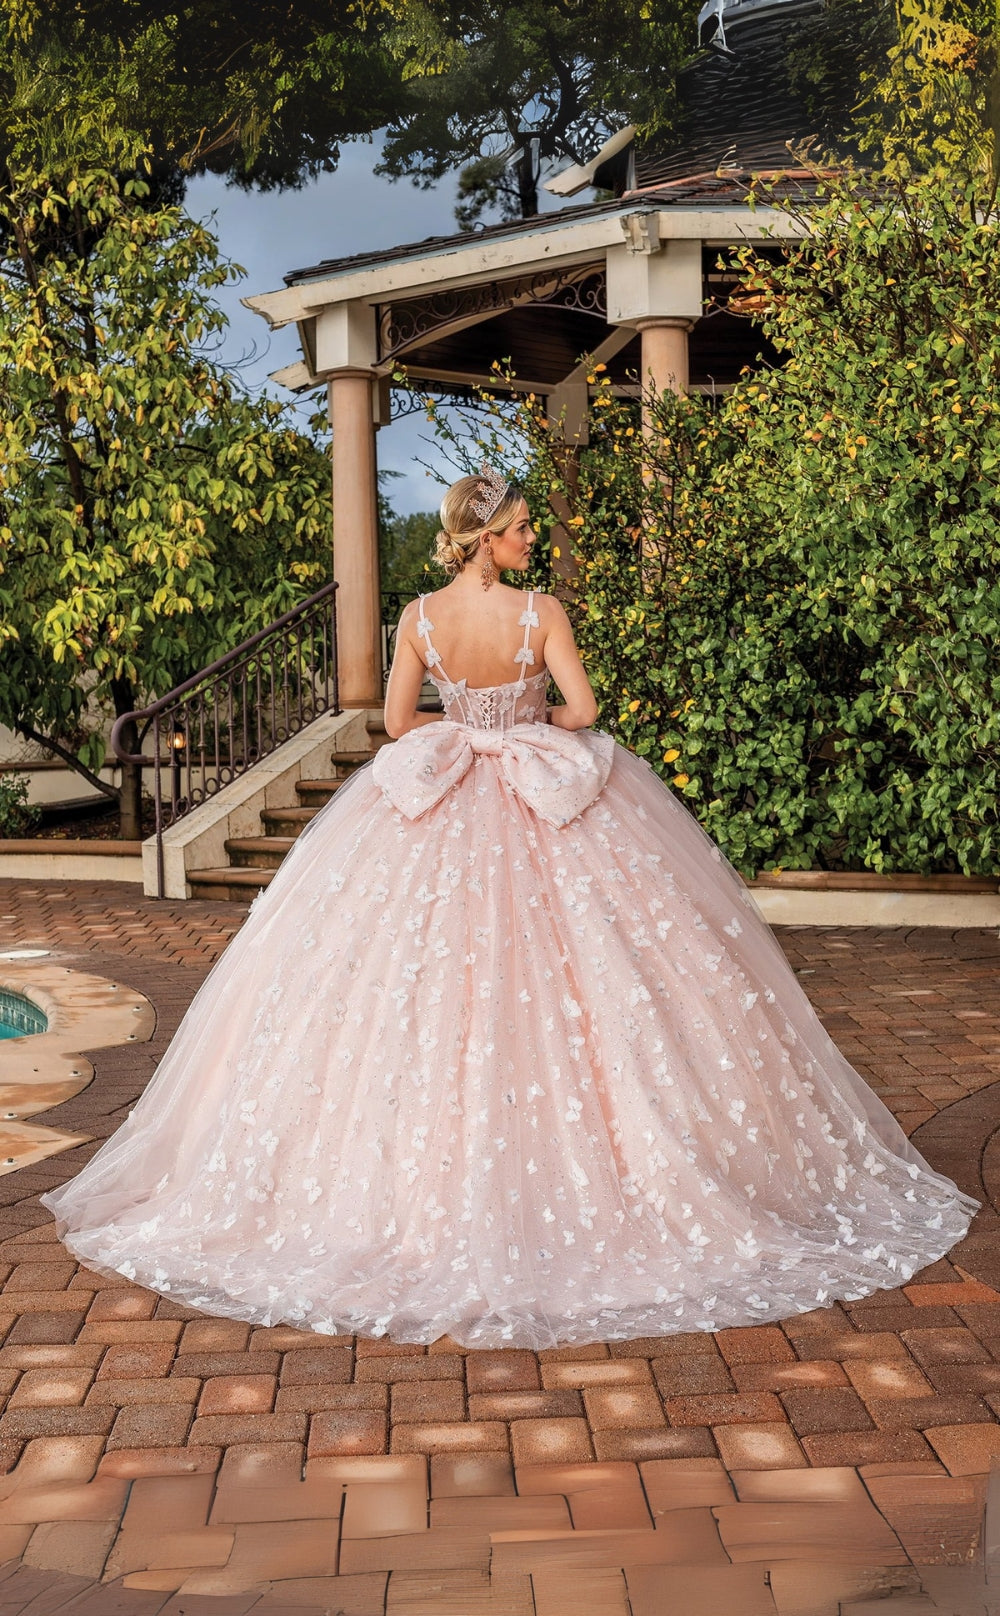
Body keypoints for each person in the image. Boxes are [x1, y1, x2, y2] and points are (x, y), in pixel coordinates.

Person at [41, 467, 978, 1348]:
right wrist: (521, 728)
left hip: (442, 793)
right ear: (487, 538)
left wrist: (470, 730)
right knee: (601, 978)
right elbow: (583, 709)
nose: (537, 537)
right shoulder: (542, 614)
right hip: (541, 788)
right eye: (524, 526)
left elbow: (401, 725)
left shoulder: (418, 618)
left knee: (406, 988)